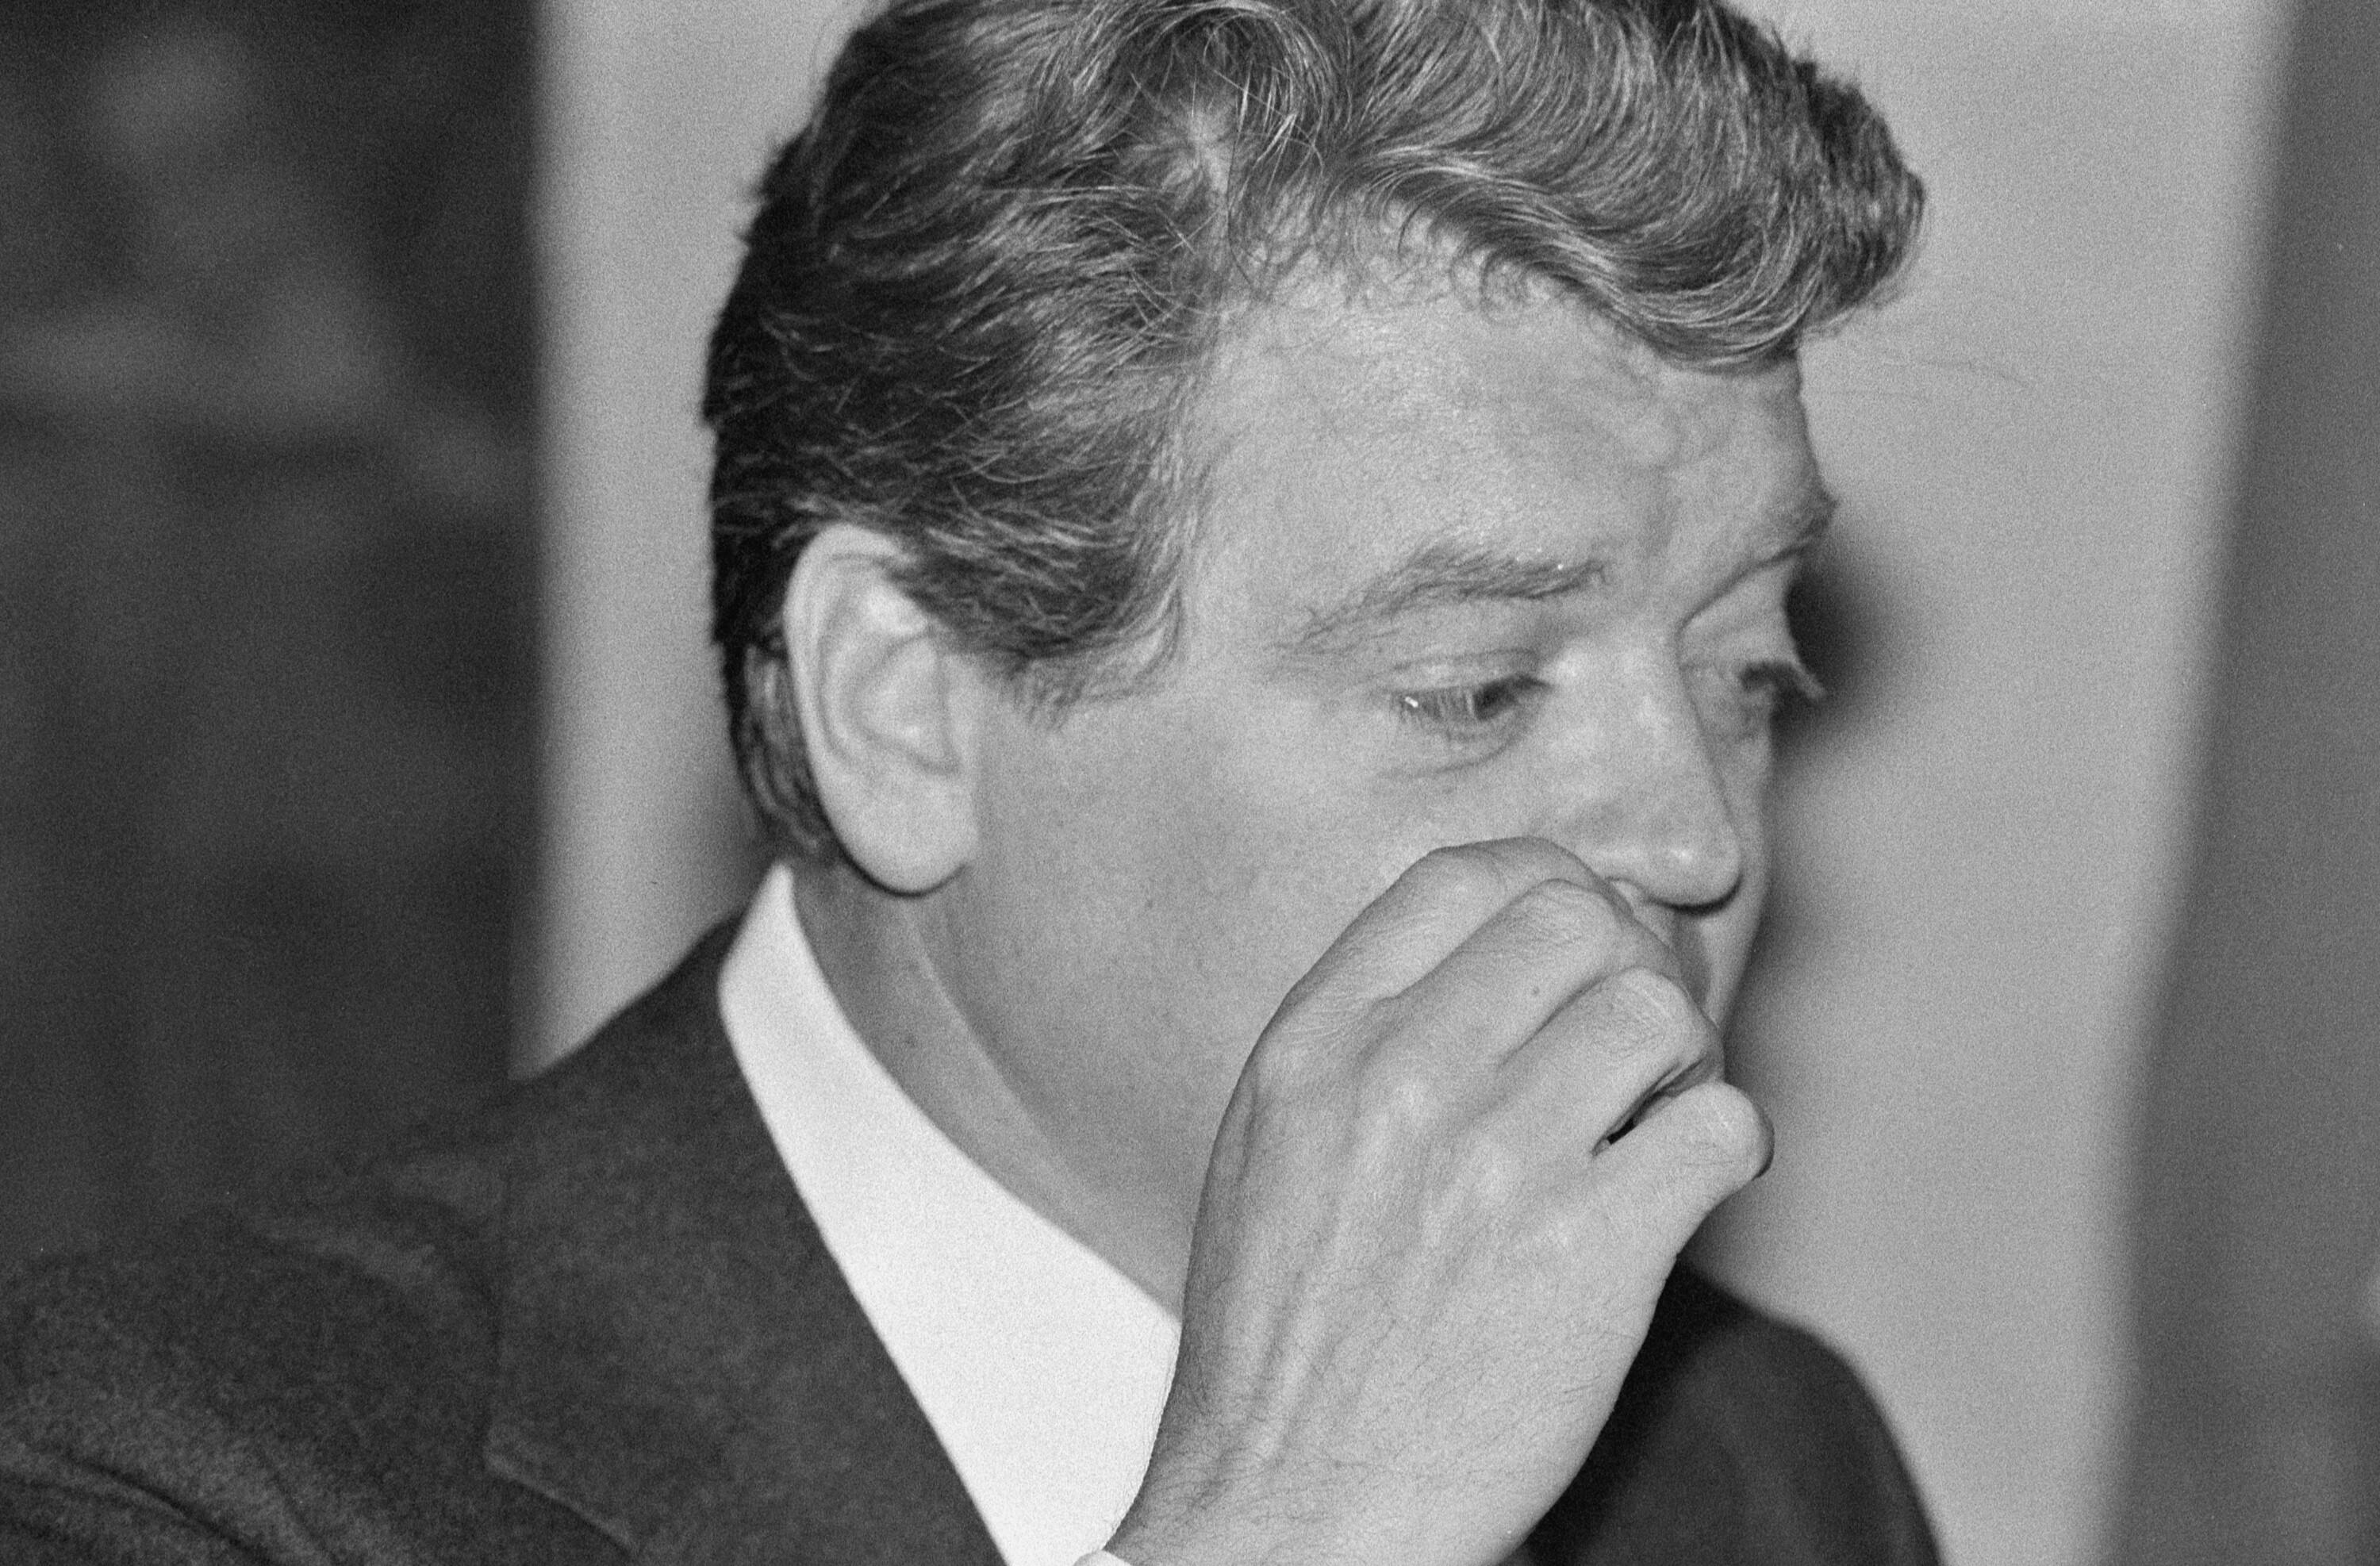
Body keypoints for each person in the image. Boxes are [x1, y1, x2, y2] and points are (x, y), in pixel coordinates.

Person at [0, 0, 1935, 1561]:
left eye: (1749, 670)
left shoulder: (1761, 1469)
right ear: (903, 709)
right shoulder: (166, 1475)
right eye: (1474, 687)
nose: (1696, 835)